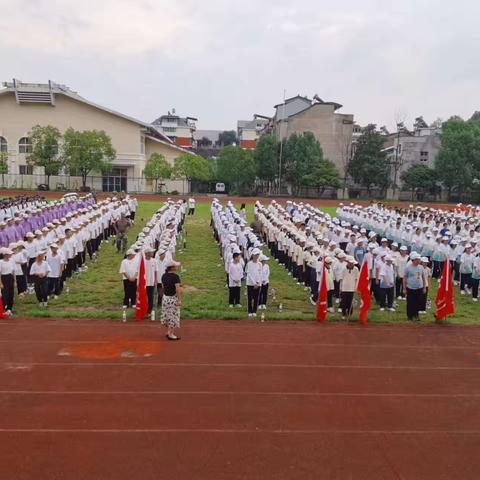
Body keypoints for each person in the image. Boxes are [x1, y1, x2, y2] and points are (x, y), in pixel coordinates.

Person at [161, 260, 182, 340]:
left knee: (167, 315)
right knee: (173, 316)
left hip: (165, 298)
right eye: (176, 266)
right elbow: (177, 290)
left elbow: (164, 287)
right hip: (173, 299)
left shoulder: (164, 275)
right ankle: (171, 333)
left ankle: (168, 331)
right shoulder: (175, 277)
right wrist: (179, 299)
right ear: (172, 268)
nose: (177, 267)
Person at [403, 253, 425, 322]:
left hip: (419, 288)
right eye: (417, 259)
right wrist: (404, 288)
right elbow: (404, 278)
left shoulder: (421, 267)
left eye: (419, 259)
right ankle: (410, 316)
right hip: (410, 288)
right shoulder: (408, 267)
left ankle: (416, 315)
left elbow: (423, 278)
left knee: (418, 302)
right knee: (410, 302)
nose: (418, 261)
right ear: (413, 260)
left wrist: (424, 287)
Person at [246, 248, 262, 317]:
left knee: (256, 298)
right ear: (252, 255)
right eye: (255, 255)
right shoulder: (249, 264)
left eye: (257, 255)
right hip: (250, 283)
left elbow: (260, 273)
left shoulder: (259, 264)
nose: (256, 256)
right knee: (250, 298)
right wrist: (254, 283)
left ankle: (254, 311)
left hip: (258, 283)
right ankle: (250, 311)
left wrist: (258, 282)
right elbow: (249, 274)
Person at [0, 248, 16, 314]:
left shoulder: (12, 261)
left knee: (11, 294)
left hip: (10, 277)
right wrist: (0, 283)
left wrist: (15, 281)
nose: (10, 255)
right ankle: (5, 308)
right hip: (4, 278)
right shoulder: (1, 262)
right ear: (5, 255)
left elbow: (13, 272)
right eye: (9, 254)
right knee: (4, 294)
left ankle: (9, 309)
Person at [144, 248, 157, 314]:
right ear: (147, 253)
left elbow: (155, 271)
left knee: (150, 297)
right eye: (151, 252)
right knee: (143, 297)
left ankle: (149, 311)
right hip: (144, 283)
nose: (152, 253)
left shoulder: (154, 261)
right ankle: (143, 309)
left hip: (151, 282)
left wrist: (155, 281)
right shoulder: (142, 261)